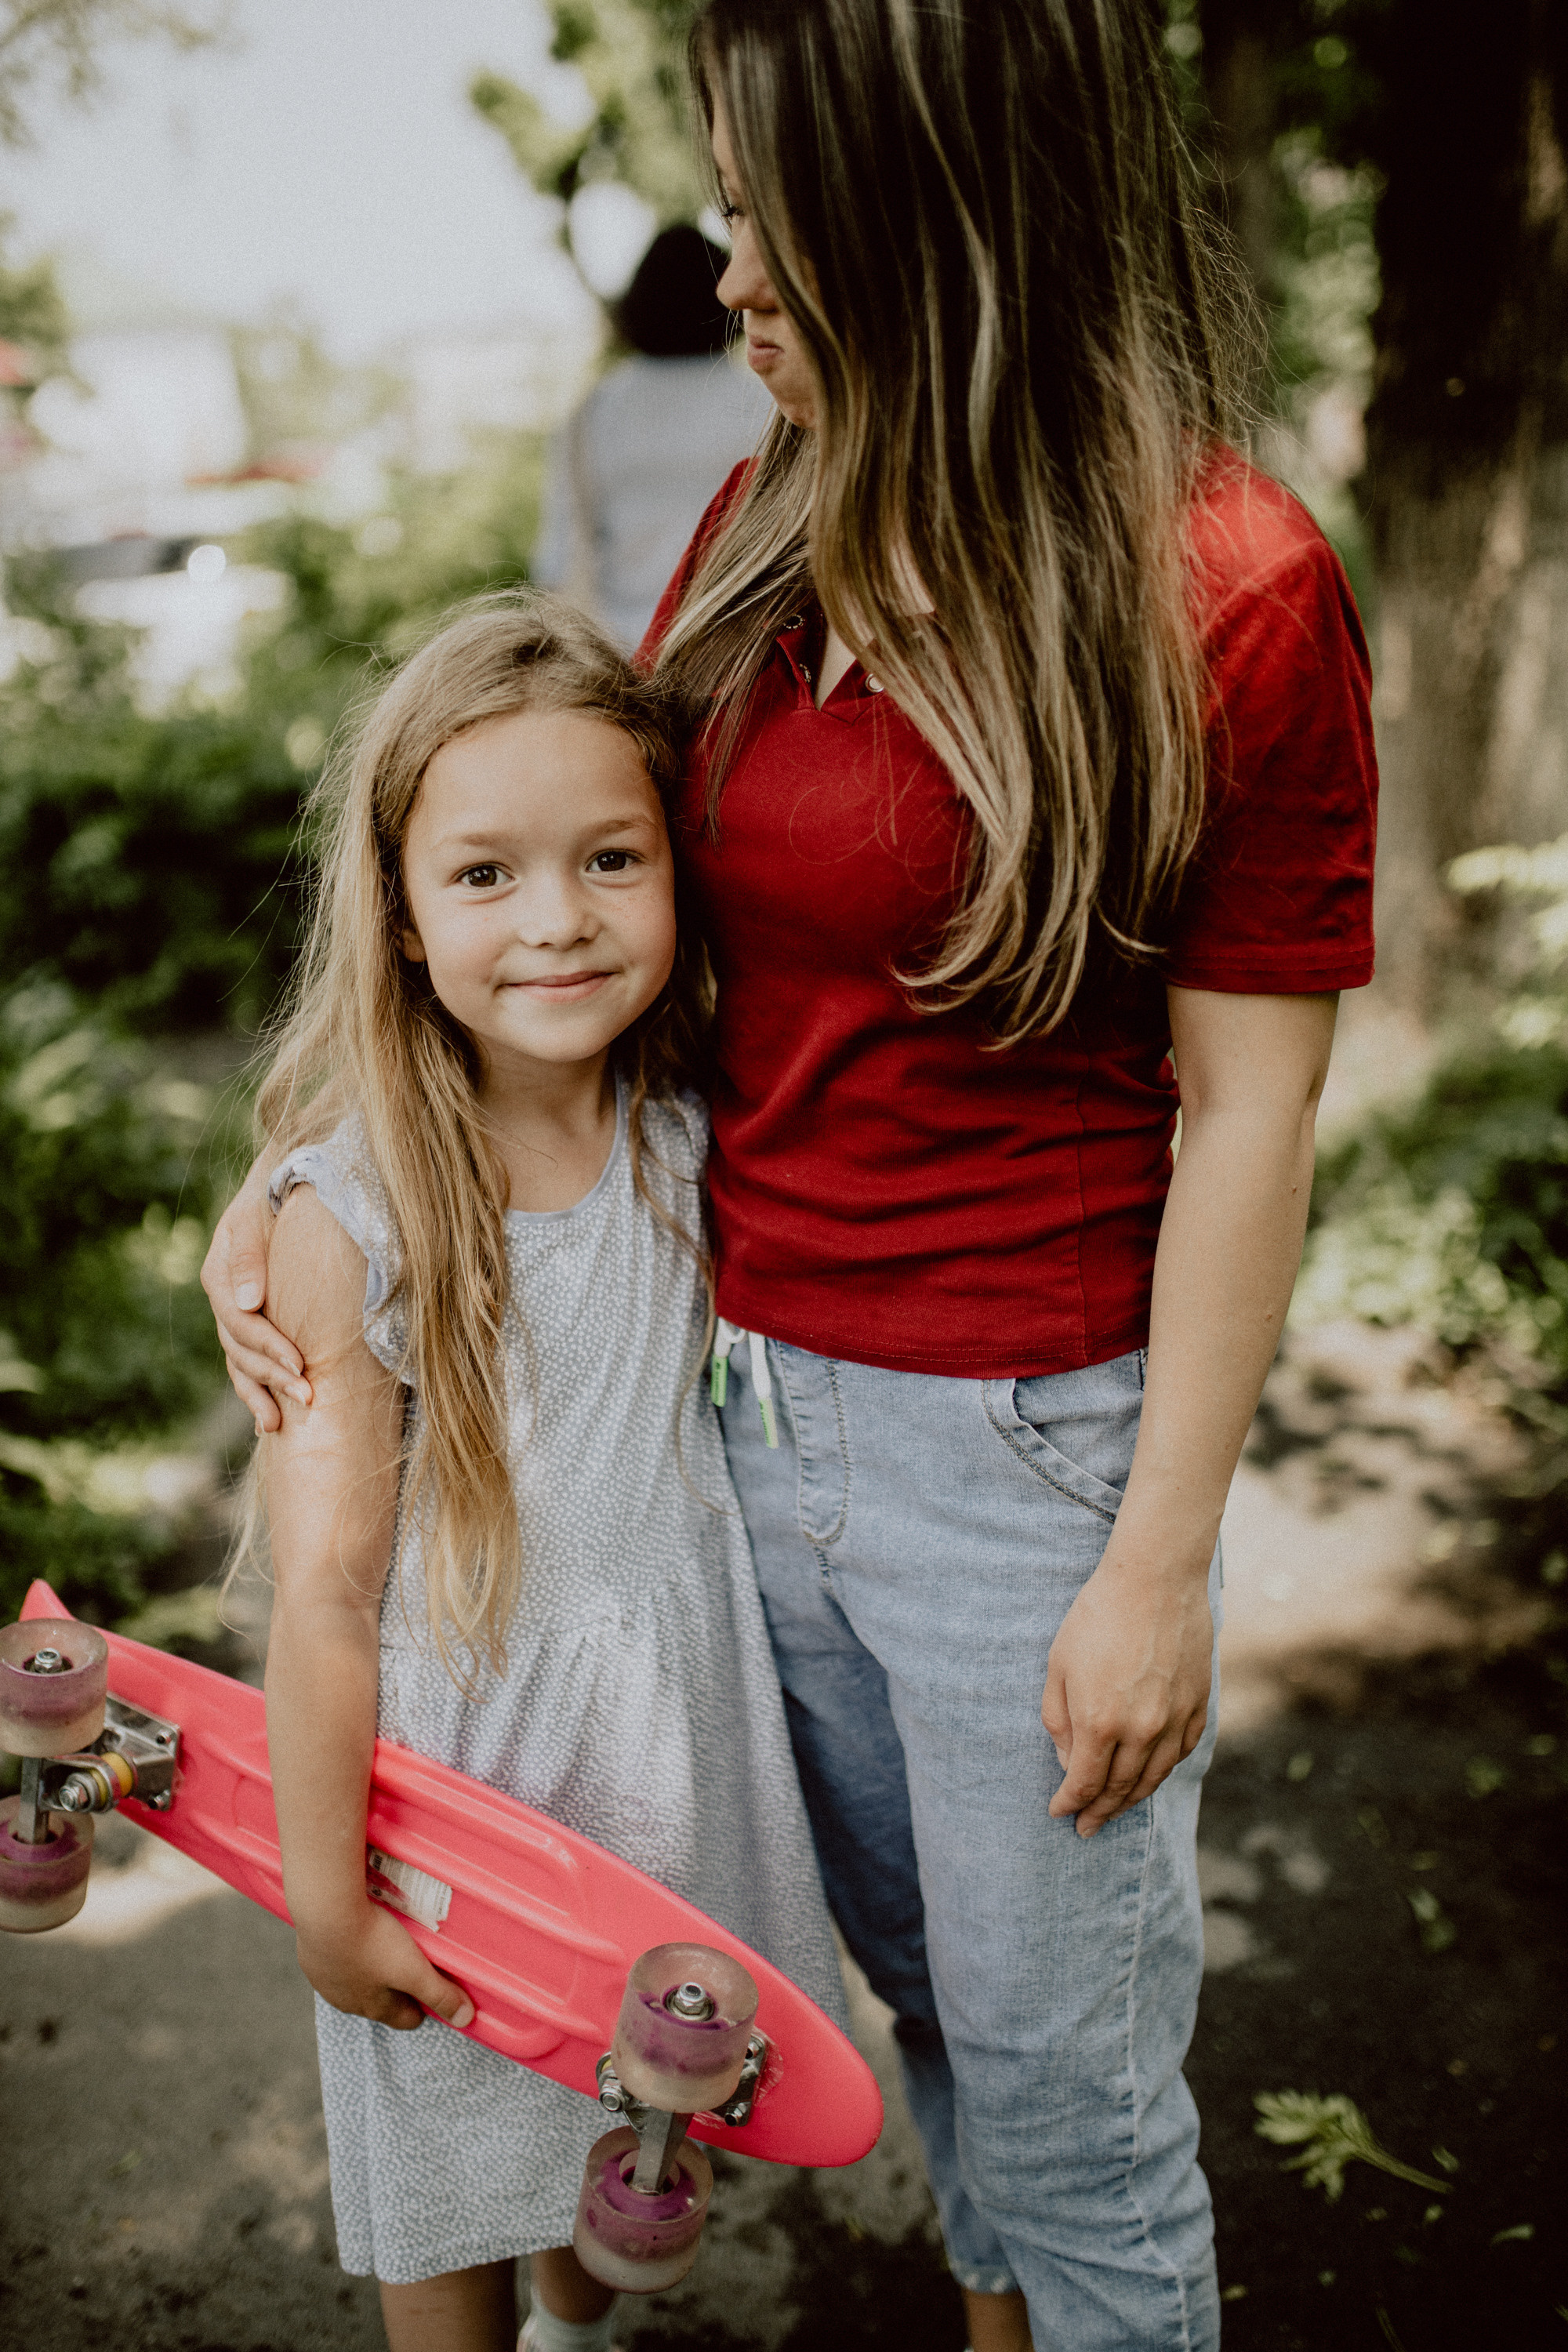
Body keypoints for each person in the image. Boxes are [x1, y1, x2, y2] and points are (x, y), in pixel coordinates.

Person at [205, 6, 1379, 2348]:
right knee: (926, 2013)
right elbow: (548, 890)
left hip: (1021, 1450)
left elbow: (1250, 1109)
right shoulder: (777, 506)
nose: (730, 271)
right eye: (726, 209)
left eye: (771, 212)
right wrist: (312, 1174)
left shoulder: (1223, 578)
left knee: (1074, 2093)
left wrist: (1156, 1556)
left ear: (937, 213)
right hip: (746, 1416)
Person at [241, 591, 844, 2352]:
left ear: (677, 872)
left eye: (609, 858)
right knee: (449, 2189)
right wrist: (329, 1900)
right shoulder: (357, 1222)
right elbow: (328, 1597)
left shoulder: (693, 1130)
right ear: (404, 919)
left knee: (613, 2162)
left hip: (670, 1756)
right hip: (462, 1785)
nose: (559, 921)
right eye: (486, 876)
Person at [532, 223, 774, 650]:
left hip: (621, 653)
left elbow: (563, 559)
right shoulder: (767, 406)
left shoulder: (595, 413)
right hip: (741, 648)